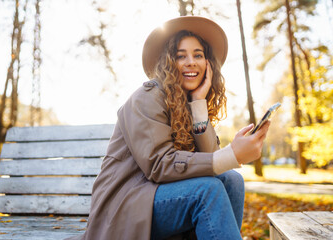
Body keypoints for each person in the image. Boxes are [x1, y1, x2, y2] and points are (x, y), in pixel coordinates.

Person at [70, 16, 270, 240]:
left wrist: (199, 104)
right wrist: (232, 155)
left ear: (208, 64)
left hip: (159, 197)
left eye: (198, 55)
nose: (191, 62)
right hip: (127, 204)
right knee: (207, 191)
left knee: (232, 180)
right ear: (168, 62)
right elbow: (159, 165)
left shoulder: (189, 103)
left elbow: (211, 162)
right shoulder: (146, 98)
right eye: (180, 56)